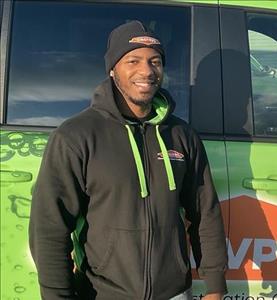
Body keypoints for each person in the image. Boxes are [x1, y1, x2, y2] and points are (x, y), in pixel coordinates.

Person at [29, 20, 228, 300]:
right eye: (133, 60)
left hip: (173, 293)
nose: (146, 71)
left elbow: (204, 213)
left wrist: (215, 286)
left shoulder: (182, 135)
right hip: (101, 293)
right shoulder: (76, 136)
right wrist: (57, 295)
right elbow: (49, 226)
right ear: (113, 69)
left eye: (155, 61)